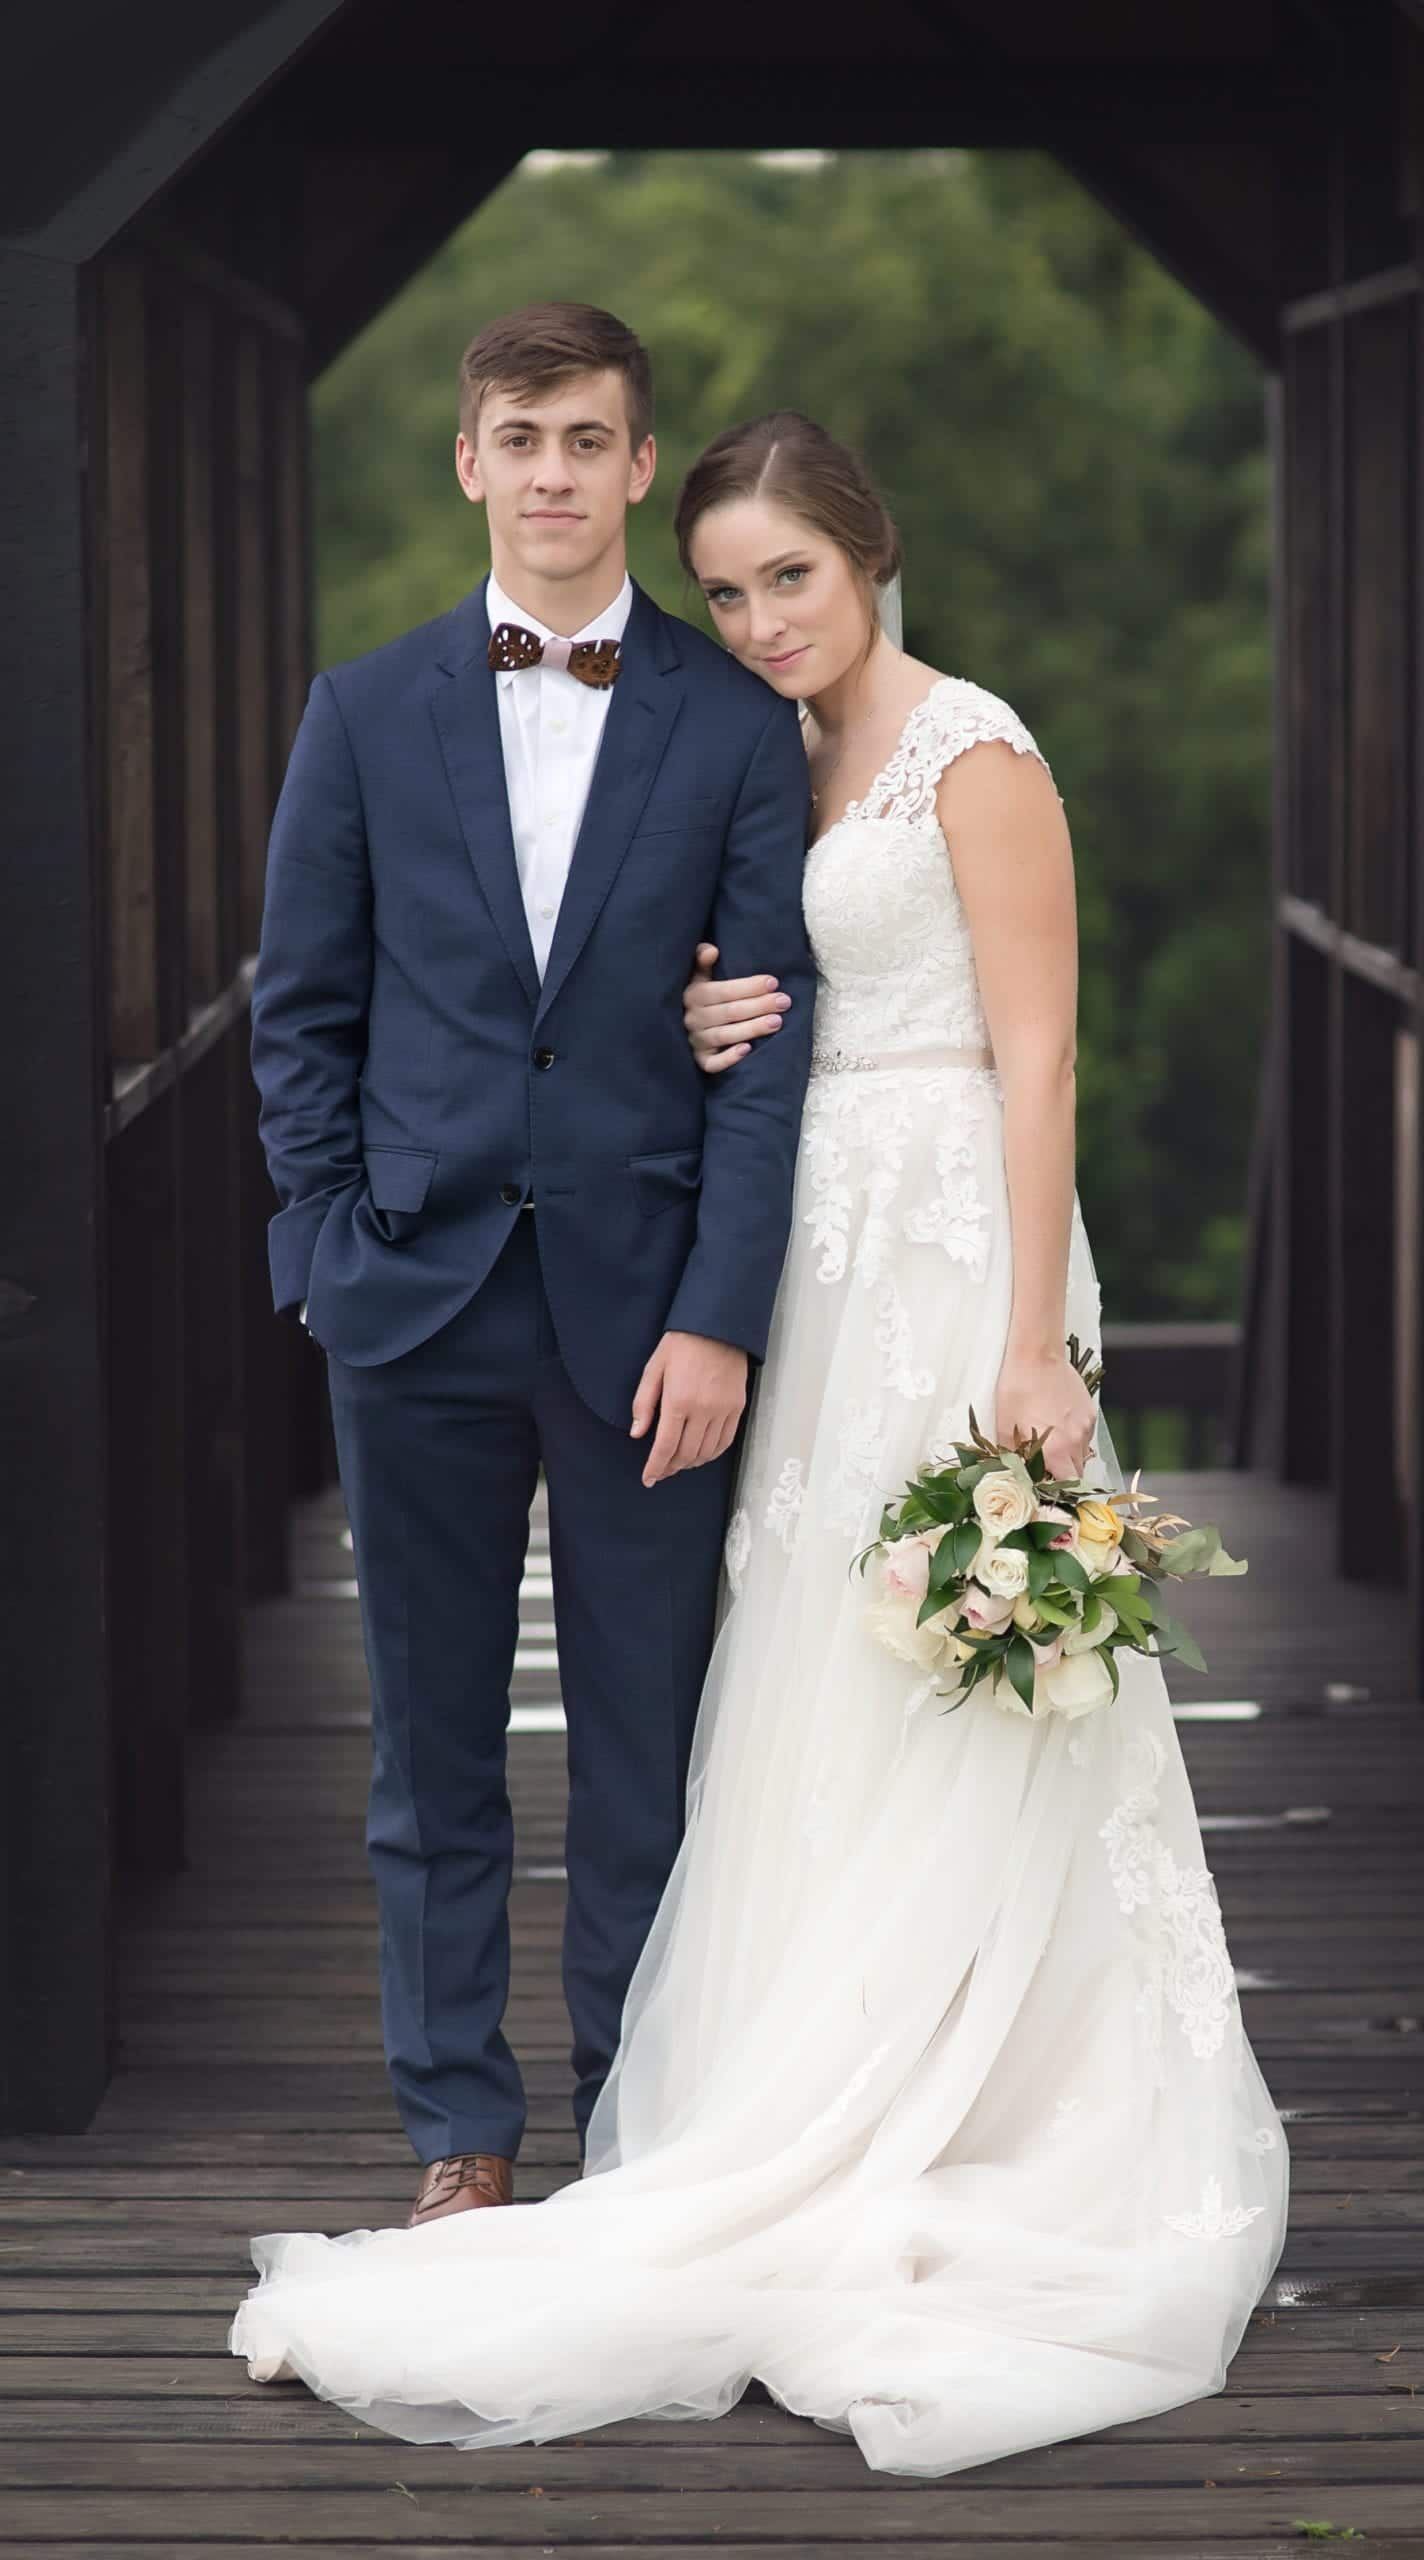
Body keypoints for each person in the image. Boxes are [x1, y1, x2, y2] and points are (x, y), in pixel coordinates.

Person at [231, 406, 1288, 2479]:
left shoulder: (968, 749)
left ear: (866, 554)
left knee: (941, 1686)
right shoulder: (744, 744)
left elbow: (1037, 1040)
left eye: (785, 575)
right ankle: (755, 2090)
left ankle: (980, 2103)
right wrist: (726, 1020)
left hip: (953, 1254)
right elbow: (698, 985)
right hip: (800, 1260)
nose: (754, 616)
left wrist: (1032, 1345)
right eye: (725, 589)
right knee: (799, 1679)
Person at [245, 303, 815, 2220]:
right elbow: (301, 1015)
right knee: (435, 1758)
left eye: (591, 439)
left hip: (648, 1319)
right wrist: (321, 1249)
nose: (557, 473)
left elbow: (766, 1043)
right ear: (469, 461)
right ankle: (457, 2138)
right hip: (410, 1302)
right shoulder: (363, 710)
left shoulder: (737, 728)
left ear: (642, 467)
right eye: (523, 438)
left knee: (644, 1757)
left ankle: (632, 2131)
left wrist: (723, 1315)